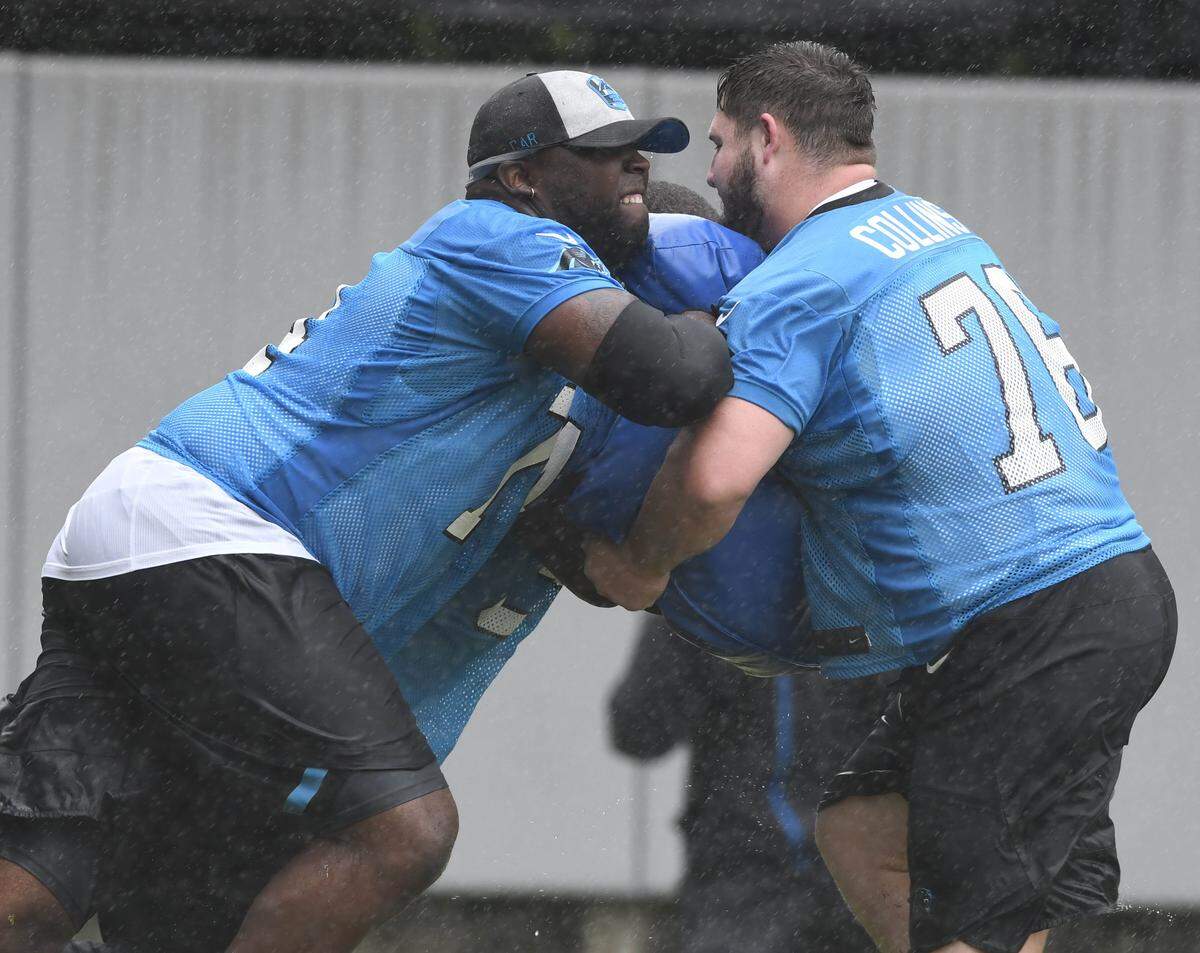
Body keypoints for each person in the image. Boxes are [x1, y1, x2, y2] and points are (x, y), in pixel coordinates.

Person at [0, 70, 734, 953]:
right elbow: (678, 373)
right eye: (602, 151)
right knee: (406, 832)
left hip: (170, 571)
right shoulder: (495, 235)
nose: (633, 168)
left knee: (45, 906)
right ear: (522, 176)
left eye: (640, 158)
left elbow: (615, 570)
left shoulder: (568, 395)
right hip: (210, 531)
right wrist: (744, 314)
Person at [584, 41, 1176, 953]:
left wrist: (637, 564)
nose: (708, 171)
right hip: (1085, 601)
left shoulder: (802, 277)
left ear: (768, 138)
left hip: (1036, 620)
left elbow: (714, 479)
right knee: (861, 826)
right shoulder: (932, 227)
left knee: (974, 919)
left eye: (718, 141)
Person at [610, 617, 880, 953]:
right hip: (751, 881)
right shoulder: (708, 595)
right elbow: (639, 730)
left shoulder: (864, 592)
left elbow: (638, 730)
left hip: (840, 880)